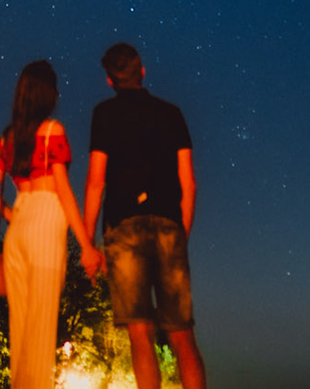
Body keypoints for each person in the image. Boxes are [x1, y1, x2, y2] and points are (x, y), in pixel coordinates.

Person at [83, 42, 205, 389]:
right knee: (182, 335)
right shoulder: (172, 113)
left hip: (123, 228)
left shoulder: (104, 114)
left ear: (110, 81)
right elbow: (189, 183)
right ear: (143, 73)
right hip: (169, 224)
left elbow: (95, 182)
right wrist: (182, 232)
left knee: (140, 333)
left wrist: (89, 243)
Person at [0, 60, 104, 389]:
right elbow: (63, 190)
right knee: (40, 332)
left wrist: (14, 217)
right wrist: (87, 246)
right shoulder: (52, 131)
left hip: (18, 226)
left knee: (20, 331)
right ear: (48, 94)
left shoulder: (8, 139)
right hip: (46, 222)